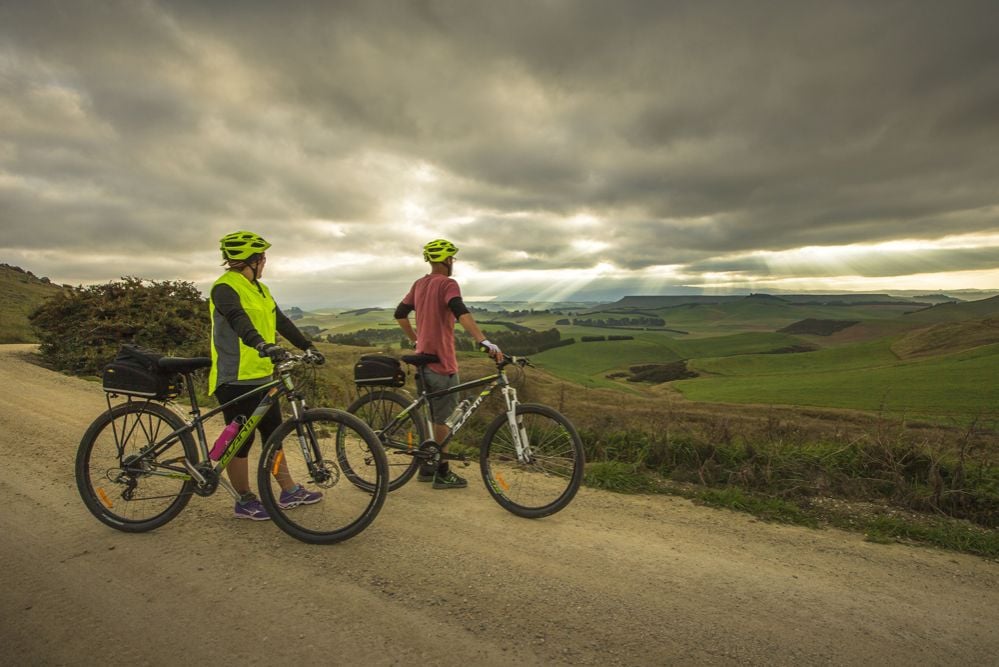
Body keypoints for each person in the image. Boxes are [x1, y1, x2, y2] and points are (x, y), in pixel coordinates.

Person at [209, 230, 326, 520]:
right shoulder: (224, 288)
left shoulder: (261, 289)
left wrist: (307, 345)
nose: (265, 263)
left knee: (273, 434)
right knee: (241, 441)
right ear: (252, 259)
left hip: (263, 376)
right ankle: (244, 498)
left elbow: (281, 321)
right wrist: (261, 344)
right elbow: (238, 320)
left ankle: (288, 490)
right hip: (235, 378)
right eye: (262, 258)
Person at [394, 238, 503, 489]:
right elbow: (460, 311)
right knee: (443, 420)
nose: (452, 262)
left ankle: (426, 466)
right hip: (441, 363)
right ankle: (442, 472)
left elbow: (400, 314)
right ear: (445, 260)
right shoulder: (448, 283)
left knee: (433, 416)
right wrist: (483, 341)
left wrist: (416, 340)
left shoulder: (419, 284)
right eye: (451, 258)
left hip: (423, 361)